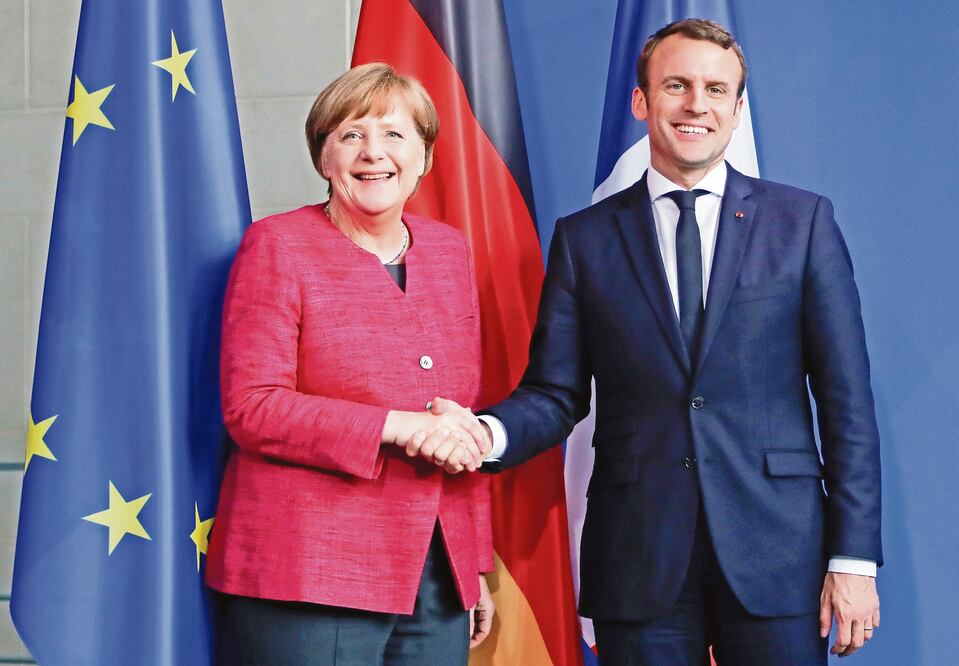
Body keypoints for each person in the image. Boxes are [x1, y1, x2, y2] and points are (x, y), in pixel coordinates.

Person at [417, 18, 882, 665]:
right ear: (641, 101)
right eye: (676, 85)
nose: (697, 104)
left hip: (776, 552)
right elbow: (554, 394)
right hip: (637, 558)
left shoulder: (801, 223)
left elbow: (846, 404)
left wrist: (853, 556)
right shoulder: (584, 240)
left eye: (716, 90)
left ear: (737, 108)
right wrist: (482, 433)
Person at [205, 62, 494, 665]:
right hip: (310, 571)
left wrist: (475, 564)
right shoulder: (277, 245)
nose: (374, 153)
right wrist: (395, 424)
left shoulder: (448, 250)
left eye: (395, 135)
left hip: (436, 573)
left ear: (425, 157)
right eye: (351, 134)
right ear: (323, 157)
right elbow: (252, 407)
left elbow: (460, 417)